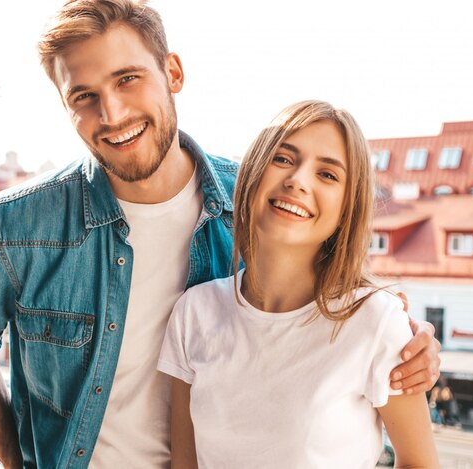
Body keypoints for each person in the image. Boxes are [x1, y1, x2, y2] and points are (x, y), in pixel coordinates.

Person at [0, 1, 440, 468]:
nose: (113, 115)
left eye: (128, 79)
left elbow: (334, 293)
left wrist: (410, 342)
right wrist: (17, 463)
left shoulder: (256, 199)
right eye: (84, 96)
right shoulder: (16, 227)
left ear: (172, 72)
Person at [158, 101, 440, 468]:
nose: (298, 181)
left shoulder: (377, 321)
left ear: (345, 211)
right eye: (284, 159)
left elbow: (420, 463)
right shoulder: (193, 312)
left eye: (328, 175)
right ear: (254, 173)